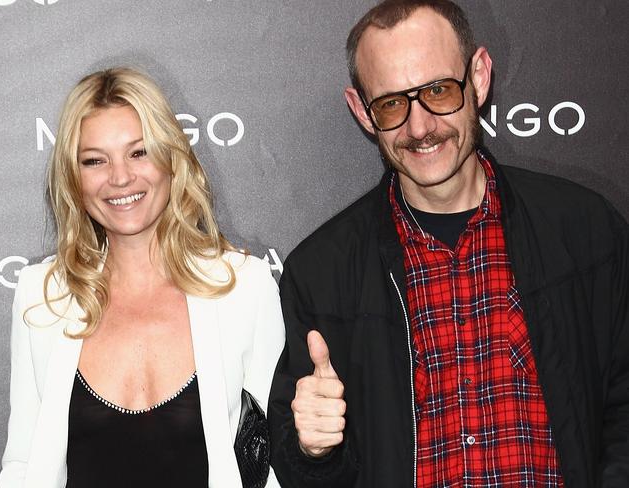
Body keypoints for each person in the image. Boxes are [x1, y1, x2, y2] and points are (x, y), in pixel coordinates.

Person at [268, 1, 629, 487]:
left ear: (478, 77)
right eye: (392, 103)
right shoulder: (321, 273)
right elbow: (304, 472)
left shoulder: (585, 230)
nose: (419, 128)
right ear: (361, 110)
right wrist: (312, 450)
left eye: (438, 91)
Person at [0, 67, 285, 488]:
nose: (119, 178)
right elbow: (23, 463)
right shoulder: (42, 296)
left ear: (171, 157)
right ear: (74, 179)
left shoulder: (244, 286)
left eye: (139, 152)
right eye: (94, 160)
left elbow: (272, 463)